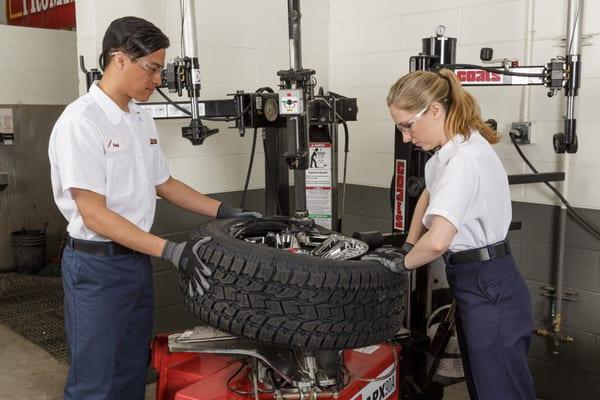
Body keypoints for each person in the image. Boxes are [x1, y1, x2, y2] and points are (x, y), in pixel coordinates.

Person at [48, 16, 259, 400]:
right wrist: (171, 250)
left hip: (135, 261)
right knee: (96, 382)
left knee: (132, 370)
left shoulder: (138, 117)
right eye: (153, 68)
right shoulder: (81, 122)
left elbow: (164, 184)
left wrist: (226, 211)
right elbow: (93, 213)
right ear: (120, 59)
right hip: (96, 268)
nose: (159, 80)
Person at [364, 68, 535, 400]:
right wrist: (409, 245)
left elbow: (439, 239)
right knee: (484, 387)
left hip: (490, 285)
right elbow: (428, 194)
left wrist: (399, 267)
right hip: (473, 279)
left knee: (501, 393)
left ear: (435, 111)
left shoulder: (464, 160)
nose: (404, 137)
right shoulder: (447, 154)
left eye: (407, 125)